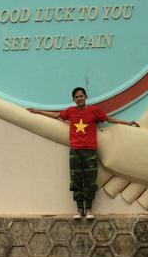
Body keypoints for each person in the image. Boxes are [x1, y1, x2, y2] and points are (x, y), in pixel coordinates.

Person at [28, 87, 139, 219]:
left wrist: (128, 123)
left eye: (81, 96)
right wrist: (37, 111)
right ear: (73, 99)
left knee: (91, 180)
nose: (79, 98)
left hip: (90, 151)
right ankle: (80, 209)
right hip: (75, 151)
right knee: (76, 179)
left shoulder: (94, 110)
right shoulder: (70, 111)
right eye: (77, 97)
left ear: (86, 97)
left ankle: (89, 209)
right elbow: (56, 116)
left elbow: (109, 120)